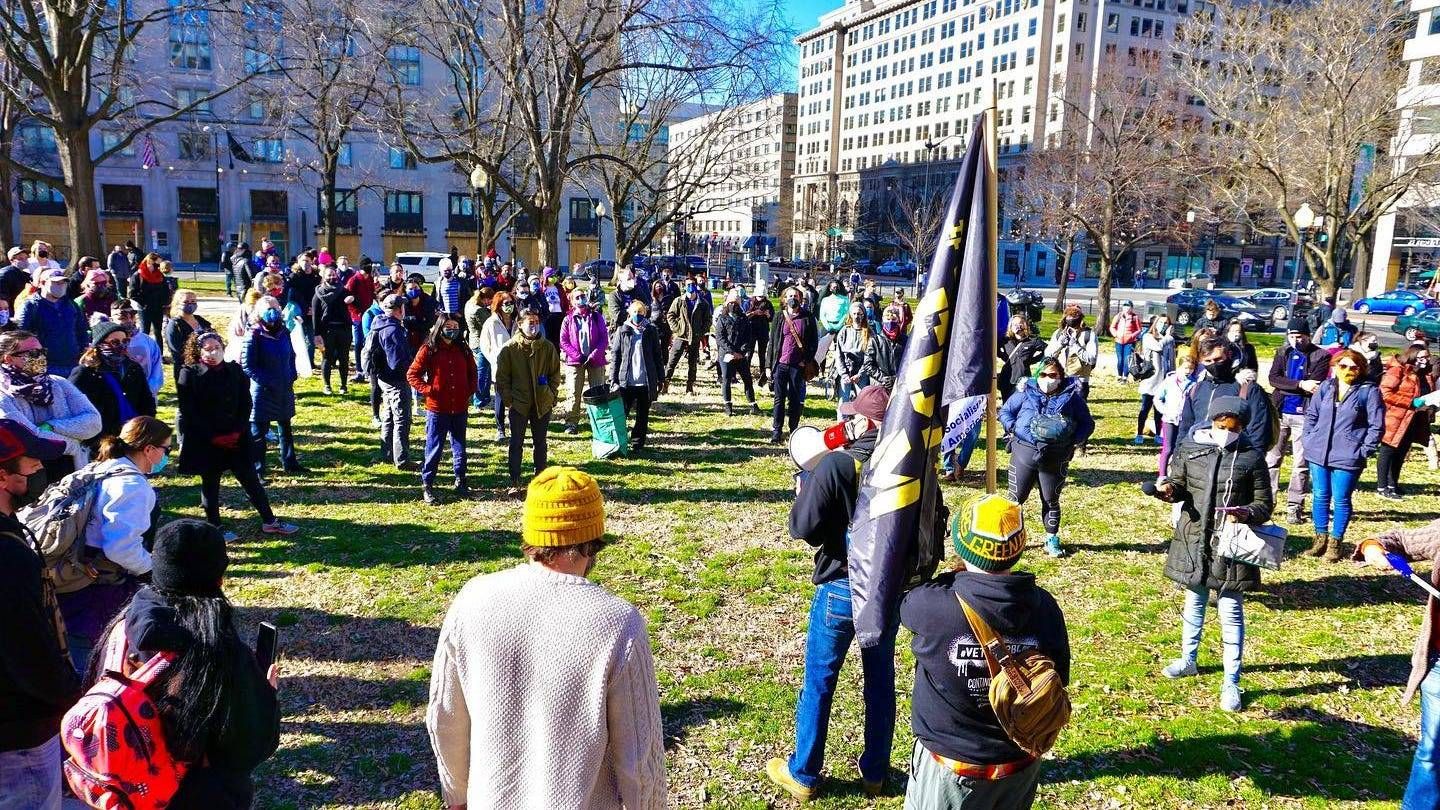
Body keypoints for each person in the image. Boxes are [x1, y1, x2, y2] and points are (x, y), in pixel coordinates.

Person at [426, 467, 665, 807]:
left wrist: (457, 795)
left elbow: (445, 718)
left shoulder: (472, 599)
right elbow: (640, 762)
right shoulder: (619, 624)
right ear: (593, 540)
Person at [87, 519, 281, 807]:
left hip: (126, 789)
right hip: (196, 795)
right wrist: (266, 697)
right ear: (218, 578)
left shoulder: (123, 626)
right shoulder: (216, 648)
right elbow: (246, 750)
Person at [765, 385, 896, 802]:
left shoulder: (839, 464)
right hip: (887, 587)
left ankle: (803, 773)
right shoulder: (908, 464)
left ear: (865, 421)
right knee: (880, 680)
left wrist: (807, 491)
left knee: (820, 679)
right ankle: (875, 772)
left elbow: (802, 528)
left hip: (841, 582)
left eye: (853, 415)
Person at [899, 496, 1070, 808]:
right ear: (1018, 547)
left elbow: (906, 600)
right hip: (1019, 765)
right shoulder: (1045, 608)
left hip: (952, 772)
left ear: (961, 544)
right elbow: (1059, 677)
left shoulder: (931, 606)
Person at [1149, 396, 1272, 712]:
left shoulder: (1251, 457)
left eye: (1234, 428)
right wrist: (1167, 491)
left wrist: (1246, 513)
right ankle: (1188, 659)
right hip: (1194, 539)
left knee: (1230, 610)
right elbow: (1178, 486)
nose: (1227, 432)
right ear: (1212, 421)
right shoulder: (1191, 449)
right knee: (1194, 601)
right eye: (1221, 425)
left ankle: (1232, 680)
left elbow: (1264, 504)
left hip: (1231, 544)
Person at [0, 419, 79, 810]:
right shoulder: (7, 556)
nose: (40, 471)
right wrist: (68, 696)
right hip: (19, 736)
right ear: (3, 476)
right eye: (32, 463)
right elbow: (27, 651)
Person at [55, 415, 171, 673]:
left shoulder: (101, 468)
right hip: (98, 587)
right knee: (92, 655)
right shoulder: (132, 485)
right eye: (167, 449)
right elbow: (121, 548)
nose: (167, 456)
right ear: (149, 449)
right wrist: (151, 569)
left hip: (69, 572)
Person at [177, 331, 299, 540]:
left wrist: (237, 431)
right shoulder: (189, 374)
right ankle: (215, 526)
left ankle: (270, 521)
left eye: (217, 348)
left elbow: (245, 404)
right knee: (211, 484)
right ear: (198, 351)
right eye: (208, 349)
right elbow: (190, 412)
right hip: (208, 440)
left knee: (250, 480)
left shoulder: (234, 371)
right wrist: (213, 436)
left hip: (237, 437)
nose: (213, 353)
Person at [998, 357, 1096, 558]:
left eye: (1053, 375)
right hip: (1024, 452)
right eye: (1043, 375)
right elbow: (1005, 411)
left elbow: (1087, 423)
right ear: (1037, 375)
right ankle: (1008, 536)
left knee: (1051, 499)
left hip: (1055, 457)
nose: (1048, 379)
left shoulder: (1072, 398)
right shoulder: (1024, 392)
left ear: (1061, 377)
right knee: (1015, 499)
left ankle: (1051, 539)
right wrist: (1013, 427)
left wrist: (1072, 441)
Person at [1302, 348, 1383, 562]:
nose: (1347, 370)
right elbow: (1312, 414)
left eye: (1353, 367)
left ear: (1361, 369)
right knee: (1320, 495)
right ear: (1335, 366)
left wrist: (1363, 450)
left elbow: (1376, 425)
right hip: (1318, 451)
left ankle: (1335, 543)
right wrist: (1308, 438)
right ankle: (1320, 538)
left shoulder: (1368, 391)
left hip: (1348, 455)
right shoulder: (1326, 387)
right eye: (1343, 365)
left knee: (1341, 499)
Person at [0, 330, 100, 479]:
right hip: (29, 477)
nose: (41, 357)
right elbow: (30, 439)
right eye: (33, 353)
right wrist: (74, 445)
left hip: (72, 469)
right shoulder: (3, 394)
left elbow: (94, 422)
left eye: (42, 352)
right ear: (9, 359)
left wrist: (52, 426)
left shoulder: (58, 383)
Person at [408, 314, 478, 505]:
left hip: (460, 407)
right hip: (438, 409)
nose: (452, 330)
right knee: (434, 447)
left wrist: (469, 390)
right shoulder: (429, 349)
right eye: (448, 326)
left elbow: (473, 372)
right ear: (440, 328)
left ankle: (461, 480)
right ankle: (428, 484)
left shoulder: (463, 349)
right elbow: (412, 374)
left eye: (455, 326)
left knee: (459, 446)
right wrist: (428, 390)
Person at [1266, 323, 1331, 524]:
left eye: (1300, 336)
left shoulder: (1321, 356)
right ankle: (1267, 502)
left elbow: (1315, 384)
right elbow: (1273, 379)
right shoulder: (1282, 352)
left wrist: (1292, 385)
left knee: (1300, 464)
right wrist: (1300, 384)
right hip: (1279, 413)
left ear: (1308, 336)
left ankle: (1295, 506)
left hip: (1304, 415)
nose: (1296, 340)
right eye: (1292, 336)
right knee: (1272, 460)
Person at [495, 308, 561, 494]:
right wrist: (510, 401)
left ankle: (541, 479)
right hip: (519, 403)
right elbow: (502, 379)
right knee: (516, 442)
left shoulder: (547, 347)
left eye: (536, 322)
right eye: (530, 322)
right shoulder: (510, 348)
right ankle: (515, 479)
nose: (534, 326)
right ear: (520, 324)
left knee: (540, 443)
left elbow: (555, 374)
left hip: (542, 402)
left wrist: (551, 395)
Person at [242, 296, 305, 476]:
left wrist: (292, 374)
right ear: (259, 312)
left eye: (275, 308)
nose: (273, 312)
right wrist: (268, 382)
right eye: (268, 308)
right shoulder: (254, 334)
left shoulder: (283, 332)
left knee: (285, 428)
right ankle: (258, 470)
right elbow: (248, 365)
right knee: (258, 432)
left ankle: (290, 463)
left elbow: (291, 355)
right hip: (262, 390)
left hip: (284, 387)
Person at [1178, 336, 1274, 451]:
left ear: (1229, 355)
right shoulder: (1196, 389)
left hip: (1235, 455)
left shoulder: (1247, 388)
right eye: (1208, 361)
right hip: (1197, 455)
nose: (1213, 364)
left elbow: (1259, 431)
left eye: (1218, 359)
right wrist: (1178, 455)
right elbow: (1184, 428)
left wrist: (1251, 458)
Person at [69, 321, 157, 445]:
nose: (121, 346)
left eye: (125, 341)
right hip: (99, 441)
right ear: (99, 344)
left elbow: (146, 400)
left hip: (133, 436)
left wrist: (144, 427)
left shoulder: (133, 368)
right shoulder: (85, 373)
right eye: (114, 342)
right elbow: (74, 409)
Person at [1378, 344, 1435, 500]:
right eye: (1421, 357)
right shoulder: (1398, 370)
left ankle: (1393, 484)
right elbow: (1385, 392)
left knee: (1401, 452)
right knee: (1388, 451)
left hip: (1413, 418)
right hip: (1395, 417)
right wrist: (1410, 402)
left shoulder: (1425, 374)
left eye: (1427, 357)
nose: (1425, 360)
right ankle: (1382, 487)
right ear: (1412, 356)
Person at [367, 294, 415, 471]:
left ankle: (387, 453)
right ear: (398, 309)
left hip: (383, 379)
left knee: (389, 415)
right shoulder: (393, 330)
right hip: (396, 380)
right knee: (402, 419)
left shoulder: (380, 323)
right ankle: (402, 459)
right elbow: (397, 362)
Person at [609, 300, 665, 452]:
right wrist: (613, 378)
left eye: (640, 312)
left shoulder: (651, 331)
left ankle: (637, 443)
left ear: (645, 313)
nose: (637, 315)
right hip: (626, 381)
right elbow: (616, 356)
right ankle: (619, 442)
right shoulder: (622, 330)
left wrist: (661, 377)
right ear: (629, 313)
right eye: (634, 312)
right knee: (622, 414)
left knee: (642, 415)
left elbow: (657, 355)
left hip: (645, 381)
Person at [768, 285, 820, 444]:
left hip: (798, 365)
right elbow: (772, 342)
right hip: (781, 364)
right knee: (779, 399)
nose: (793, 299)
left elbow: (814, 342)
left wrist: (807, 359)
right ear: (784, 299)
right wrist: (768, 365)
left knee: (795, 400)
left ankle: (793, 430)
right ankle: (776, 431)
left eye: (796, 296)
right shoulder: (779, 316)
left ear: (800, 299)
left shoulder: (807, 317)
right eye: (790, 296)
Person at [18, 268, 88, 377]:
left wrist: (83, 354)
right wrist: (36, 368)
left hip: (73, 364)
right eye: (56, 283)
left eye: (63, 283)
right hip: (47, 367)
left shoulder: (71, 305)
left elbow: (81, 330)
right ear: (43, 283)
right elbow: (21, 337)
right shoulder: (30, 306)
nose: (61, 286)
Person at [558, 287, 610, 434]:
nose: (581, 299)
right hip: (575, 362)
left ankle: (600, 423)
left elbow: (604, 338)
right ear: (572, 301)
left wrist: (594, 355)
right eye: (577, 297)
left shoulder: (596, 317)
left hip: (596, 360)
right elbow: (563, 341)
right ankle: (571, 422)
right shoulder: (568, 319)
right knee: (573, 393)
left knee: (598, 392)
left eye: (583, 296)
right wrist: (578, 356)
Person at [713, 290, 760, 416]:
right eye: (731, 303)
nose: (733, 305)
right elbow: (720, 338)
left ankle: (753, 404)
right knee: (726, 379)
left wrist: (741, 352)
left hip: (740, 355)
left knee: (747, 379)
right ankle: (728, 405)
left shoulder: (743, 318)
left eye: (736, 303)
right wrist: (732, 351)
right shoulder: (722, 318)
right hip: (726, 354)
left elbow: (748, 337)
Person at [479, 291, 517, 442]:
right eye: (506, 303)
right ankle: (500, 429)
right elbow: (485, 345)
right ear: (499, 305)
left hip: (517, 366)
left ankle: (515, 426)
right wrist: (494, 359)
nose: (509, 306)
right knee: (500, 399)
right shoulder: (491, 323)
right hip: (500, 366)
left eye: (511, 303)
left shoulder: (517, 321)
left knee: (516, 399)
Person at [1154, 346, 1198, 477]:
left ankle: (1176, 474)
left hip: (1185, 421)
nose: (1188, 371)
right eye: (1185, 368)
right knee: (1168, 448)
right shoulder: (1170, 381)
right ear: (1179, 367)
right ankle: (1162, 475)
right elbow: (1158, 398)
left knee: (1180, 448)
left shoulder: (1195, 383)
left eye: (1191, 369)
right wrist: (1165, 410)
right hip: (1169, 419)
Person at [312, 265, 354, 396]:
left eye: (333, 275)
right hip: (327, 330)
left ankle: (343, 385)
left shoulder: (344, 290)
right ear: (324, 277)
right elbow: (315, 315)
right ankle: (327, 385)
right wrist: (316, 334)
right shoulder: (318, 293)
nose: (332, 277)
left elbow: (355, 302)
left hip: (344, 329)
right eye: (329, 275)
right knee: (327, 358)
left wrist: (352, 299)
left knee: (344, 358)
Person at [1135, 314, 1176, 444]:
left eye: (1166, 323)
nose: (1163, 325)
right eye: (1161, 322)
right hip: (1151, 379)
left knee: (1159, 410)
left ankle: (1158, 433)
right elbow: (1158, 347)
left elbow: (1172, 358)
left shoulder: (1169, 340)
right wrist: (1168, 337)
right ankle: (1139, 433)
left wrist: (1173, 375)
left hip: (1164, 381)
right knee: (1145, 408)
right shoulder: (1148, 337)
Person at [664, 282, 711, 395]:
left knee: (693, 363)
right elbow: (670, 315)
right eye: (688, 293)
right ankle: (665, 383)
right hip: (681, 336)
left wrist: (701, 332)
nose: (690, 295)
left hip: (695, 337)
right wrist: (677, 329)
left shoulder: (703, 303)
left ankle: (690, 386)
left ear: (696, 292)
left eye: (692, 293)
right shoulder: (679, 301)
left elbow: (708, 320)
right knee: (672, 361)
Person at [1045, 305, 1098, 399]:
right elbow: (1048, 355)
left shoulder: (1089, 334)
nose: (1071, 319)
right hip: (1060, 379)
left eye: (1074, 316)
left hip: (1080, 381)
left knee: (1078, 408)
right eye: (1069, 316)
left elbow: (1092, 359)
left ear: (1080, 318)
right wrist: (1060, 345)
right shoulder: (1058, 333)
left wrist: (1075, 346)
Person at [114, 299, 164, 396]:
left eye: (132, 316)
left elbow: (157, 371)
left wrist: (148, 391)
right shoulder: (108, 343)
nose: (129, 321)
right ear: (112, 319)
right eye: (123, 318)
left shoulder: (148, 341)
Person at [833, 302, 873, 416]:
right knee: (843, 403)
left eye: (859, 314)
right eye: (854, 314)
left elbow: (870, 356)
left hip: (861, 372)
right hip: (846, 370)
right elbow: (838, 355)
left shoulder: (869, 332)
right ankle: (841, 424)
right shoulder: (844, 331)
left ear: (863, 315)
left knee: (862, 405)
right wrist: (844, 374)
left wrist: (860, 374)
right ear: (850, 315)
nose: (857, 316)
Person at [163, 288, 212, 381]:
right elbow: (177, 352)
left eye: (193, 301)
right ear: (178, 304)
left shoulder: (201, 320)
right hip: (187, 371)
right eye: (186, 302)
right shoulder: (175, 325)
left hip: (208, 367)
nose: (190, 304)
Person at [129, 254, 172, 350]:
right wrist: (144, 303)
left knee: (158, 332)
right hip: (145, 309)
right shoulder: (138, 275)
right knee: (145, 332)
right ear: (149, 262)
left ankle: (159, 353)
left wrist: (165, 302)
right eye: (156, 263)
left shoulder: (160, 275)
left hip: (158, 307)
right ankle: (145, 352)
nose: (158, 266)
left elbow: (165, 291)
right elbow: (132, 294)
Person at [863, 304, 909, 394]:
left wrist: (896, 378)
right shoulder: (875, 340)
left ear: (898, 321)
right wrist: (883, 379)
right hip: (879, 385)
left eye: (893, 319)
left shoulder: (905, 340)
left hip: (900, 384)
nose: (890, 322)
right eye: (888, 319)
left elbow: (909, 362)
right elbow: (868, 364)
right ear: (883, 320)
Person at [345, 261, 377, 382]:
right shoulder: (353, 280)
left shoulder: (370, 279)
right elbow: (347, 297)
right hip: (357, 316)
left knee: (369, 342)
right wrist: (355, 310)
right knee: (358, 343)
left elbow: (372, 294)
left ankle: (368, 367)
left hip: (368, 314)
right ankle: (359, 370)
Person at [747, 282, 775, 387]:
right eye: (759, 297)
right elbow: (744, 316)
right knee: (749, 352)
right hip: (751, 330)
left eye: (762, 297)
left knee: (762, 353)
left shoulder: (768, 304)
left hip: (763, 330)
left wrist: (767, 314)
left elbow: (772, 318)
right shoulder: (749, 302)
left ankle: (763, 373)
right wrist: (754, 313)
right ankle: (746, 371)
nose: (760, 299)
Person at [1110, 299, 1143, 381]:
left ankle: (1125, 377)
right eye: (1125, 306)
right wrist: (1115, 334)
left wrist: (1132, 336)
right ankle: (1119, 375)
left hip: (1129, 343)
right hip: (1118, 342)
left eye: (1128, 306)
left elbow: (1139, 329)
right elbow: (1112, 327)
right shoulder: (1118, 316)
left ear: (1132, 308)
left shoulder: (1134, 317)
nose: (1126, 308)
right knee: (1120, 359)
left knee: (1127, 360)